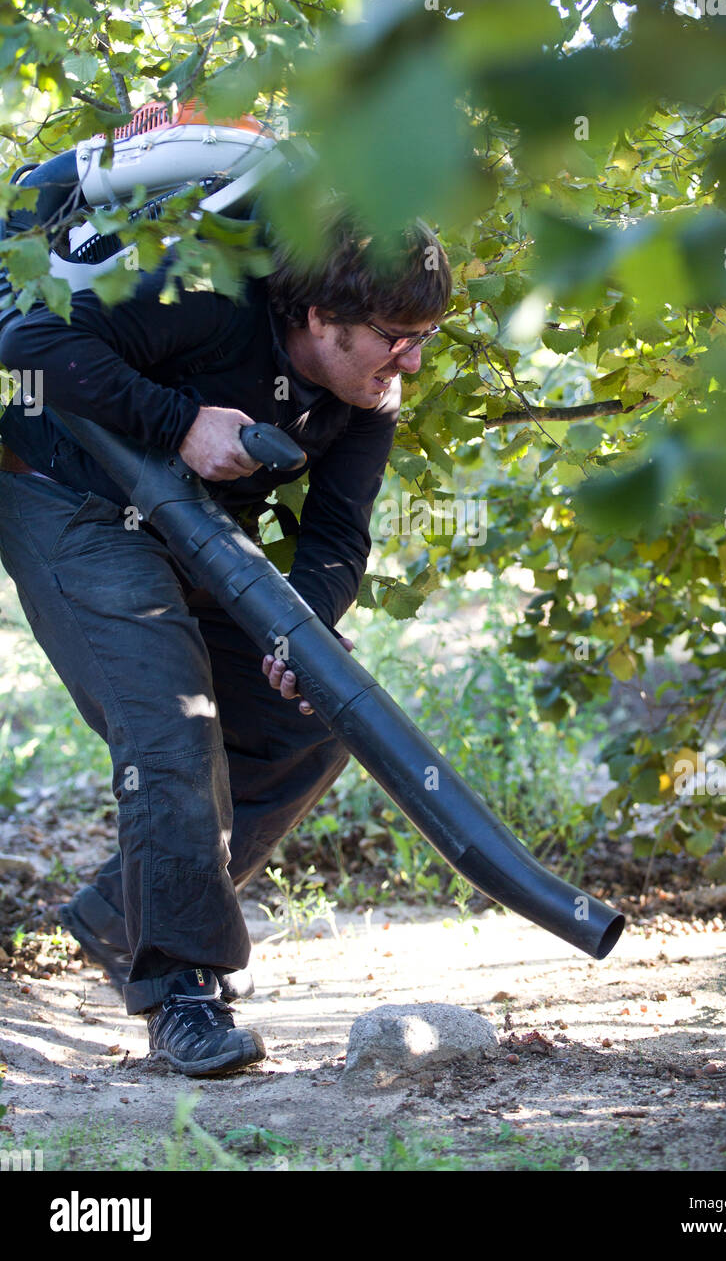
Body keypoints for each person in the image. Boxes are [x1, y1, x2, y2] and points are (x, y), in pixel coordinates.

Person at [0, 205, 451, 1076]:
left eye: (428, 336)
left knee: (317, 719)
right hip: (66, 499)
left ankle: (126, 920)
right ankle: (180, 993)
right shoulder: (208, 303)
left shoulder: (370, 396)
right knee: (172, 723)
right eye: (396, 337)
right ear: (319, 317)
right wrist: (178, 422)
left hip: (195, 529)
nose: (413, 361)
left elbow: (335, 538)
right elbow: (28, 349)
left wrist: (302, 631)